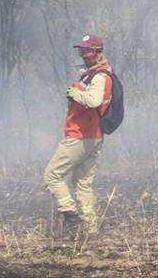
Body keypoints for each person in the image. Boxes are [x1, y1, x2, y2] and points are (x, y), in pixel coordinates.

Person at [43, 34, 114, 233]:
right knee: (83, 183)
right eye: (81, 51)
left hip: (81, 136)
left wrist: (74, 93)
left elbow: (93, 101)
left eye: (87, 51)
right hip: (94, 136)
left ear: (98, 52)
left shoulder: (100, 76)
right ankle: (90, 227)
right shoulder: (96, 74)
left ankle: (70, 215)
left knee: (52, 175)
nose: (83, 55)